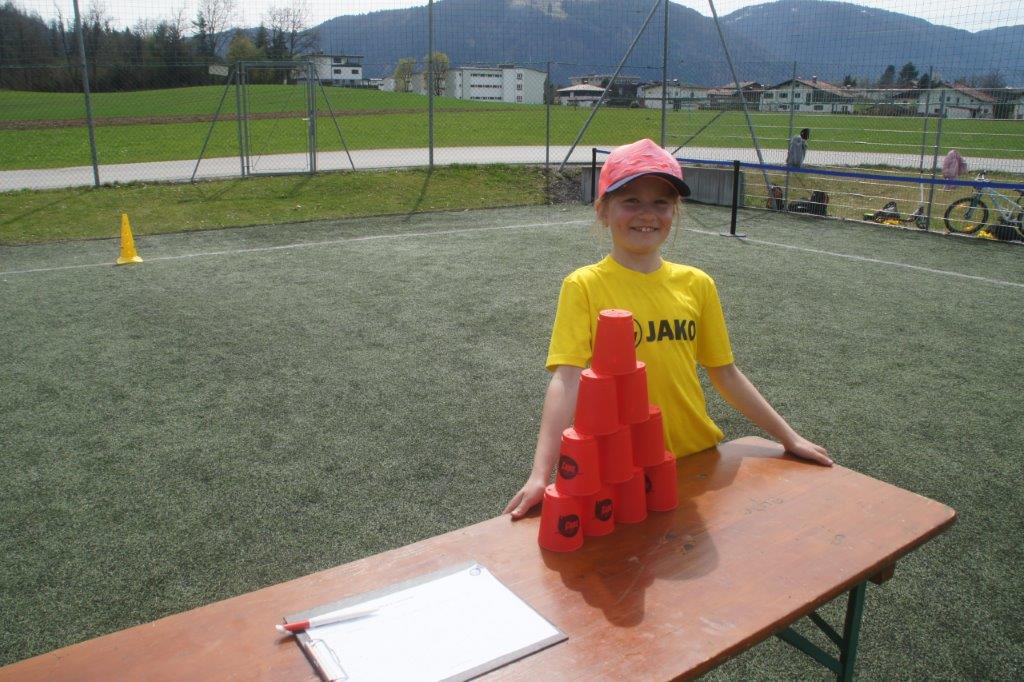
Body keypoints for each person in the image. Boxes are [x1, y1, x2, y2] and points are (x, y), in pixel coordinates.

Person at [504, 138, 831, 520]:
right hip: (622, 469)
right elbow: (567, 379)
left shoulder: (697, 284)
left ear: (674, 211)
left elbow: (724, 372)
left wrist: (788, 437)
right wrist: (540, 475)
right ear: (602, 211)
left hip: (695, 456)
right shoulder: (584, 286)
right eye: (631, 201)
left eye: (661, 202)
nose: (647, 213)